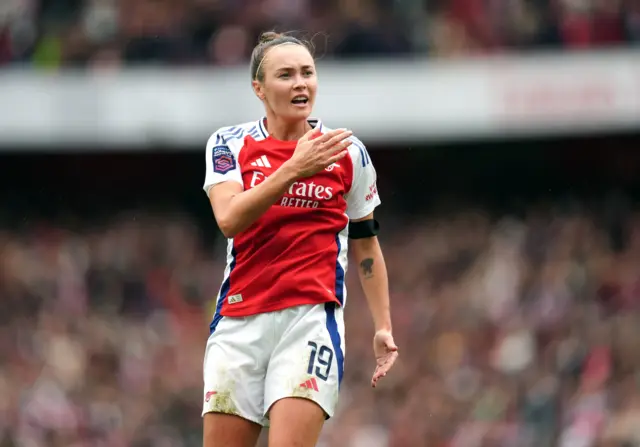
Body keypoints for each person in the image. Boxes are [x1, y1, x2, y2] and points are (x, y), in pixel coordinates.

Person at [201, 31, 398, 447]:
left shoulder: (347, 152)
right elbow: (229, 218)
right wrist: (294, 167)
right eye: (285, 75)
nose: (300, 84)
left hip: (308, 322)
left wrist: (382, 325)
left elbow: (365, 241)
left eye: (307, 73)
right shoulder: (228, 144)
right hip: (238, 324)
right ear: (259, 88)